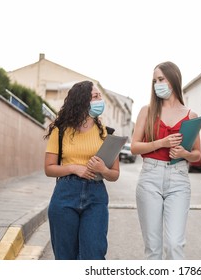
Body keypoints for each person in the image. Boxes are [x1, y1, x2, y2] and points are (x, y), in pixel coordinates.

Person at [131, 61, 201, 260]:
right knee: (153, 247)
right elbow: (135, 146)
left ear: (173, 79)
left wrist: (184, 155)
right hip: (150, 176)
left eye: (161, 79)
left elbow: (198, 154)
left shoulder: (191, 115)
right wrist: (161, 142)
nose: (157, 84)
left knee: (174, 244)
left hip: (178, 178)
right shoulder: (147, 111)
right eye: (154, 80)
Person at [43, 80, 119, 260]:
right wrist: (73, 168)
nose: (100, 100)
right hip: (65, 195)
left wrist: (103, 169)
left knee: (94, 255)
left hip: (96, 196)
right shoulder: (60, 131)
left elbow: (115, 174)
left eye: (100, 96)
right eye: (95, 96)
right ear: (82, 100)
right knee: (65, 257)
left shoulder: (106, 133)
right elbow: (48, 168)